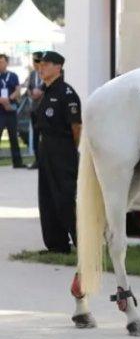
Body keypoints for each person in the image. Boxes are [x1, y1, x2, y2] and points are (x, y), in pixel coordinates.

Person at [36, 51, 82, 254]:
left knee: (66, 196)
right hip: (46, 148)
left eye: (46, 64)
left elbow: (76, 127)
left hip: (62, 149)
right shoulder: (45, 92)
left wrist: (69, 150)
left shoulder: (66, 92)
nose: (41, 68)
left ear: (58, 67)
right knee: (47, 197)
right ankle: (56, 244)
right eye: (40, 64)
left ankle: (83, 242)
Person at [0, 54, 24, 169]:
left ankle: (17, 162)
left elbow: (18, 90)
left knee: (13, 137)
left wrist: (9, 99)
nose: (0, 64)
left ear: (7, 63)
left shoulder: (13, 76)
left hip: (10, 111)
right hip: (0, 111)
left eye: (2, 62)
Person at [25, 51, 45, 169]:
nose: (35, 63)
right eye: (34, 61)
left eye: (37, 60)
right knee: (36, 135)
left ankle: (46, 161)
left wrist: (40, 92)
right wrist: (31, 94)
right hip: (34, 109)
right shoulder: (32, 74)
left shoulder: (46, 73)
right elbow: (28, 88)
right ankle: (37, 160)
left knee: (46, 135)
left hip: (45, 108)